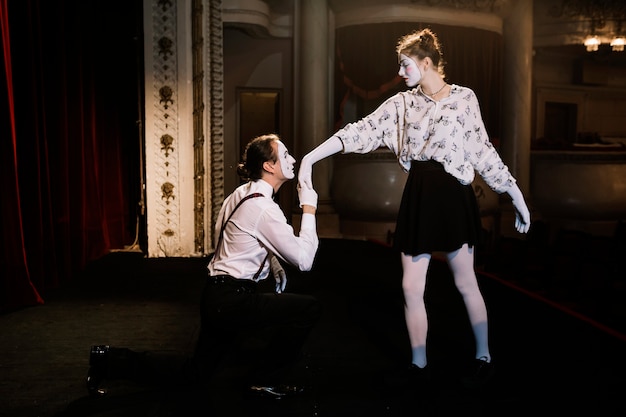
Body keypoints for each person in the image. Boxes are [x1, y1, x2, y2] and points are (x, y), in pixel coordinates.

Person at [297, 28, 531, 387]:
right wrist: (311, 158)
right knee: (410, 288)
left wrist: (514, 195)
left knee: (466, 282)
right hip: (419, 196)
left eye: (405, 65)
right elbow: (360, 131)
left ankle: (484, 356)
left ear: (426, 63)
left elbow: (483, 151)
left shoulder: (465, 99)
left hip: (454, 196)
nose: (401, 73)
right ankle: (418, 363)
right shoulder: (401, 104)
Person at [86, 133, 322, 399]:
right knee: (307, 308)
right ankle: (263, 380)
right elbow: (304, 261)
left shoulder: (240, 194)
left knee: (195, 374)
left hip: (217, 295)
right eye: (286, 155)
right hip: (232, 300)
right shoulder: (264, 208)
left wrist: (273, 261)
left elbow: (230, 237)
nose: (293, 159)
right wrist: (309, 208)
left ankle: (107, 359)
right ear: (269, 166)